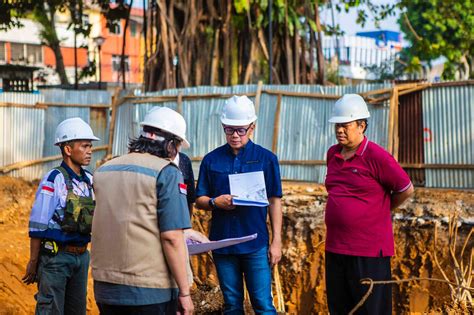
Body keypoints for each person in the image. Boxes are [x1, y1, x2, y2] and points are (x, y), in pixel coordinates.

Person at [91, 107, 194, 315]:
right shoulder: (167, 173)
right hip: (150, 290)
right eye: (178, 146)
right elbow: (172, 237)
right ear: (171, 144)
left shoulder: (104, 170)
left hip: (105, 288)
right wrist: (185, 292)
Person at [324, 94, 414, 314]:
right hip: (336, 248)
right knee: (340, 308)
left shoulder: (377, 156)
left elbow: (406, 189)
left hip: (369, 252)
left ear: (362, 125)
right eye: (337, 125)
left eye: (345, 125)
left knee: (371, 310)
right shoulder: (333, 154)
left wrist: (382, 210)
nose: (339, 130)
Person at [195, 95, 283, 314]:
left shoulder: (266, 159)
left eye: (240, 130)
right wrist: (216, 202)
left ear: (252, 127)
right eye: (229, 129)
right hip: (223, 244)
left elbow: (274, 201)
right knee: (232, 305)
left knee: (263, 305)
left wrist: (277, 242)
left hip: (255, 243)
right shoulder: (211, 160)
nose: (234, 135)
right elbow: (200, 200)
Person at [23, 117, 100, 314]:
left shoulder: (90, 180)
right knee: (51, 309)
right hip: (56, 259)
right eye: (84, 146)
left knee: (77, 310)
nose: (90, 150)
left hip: (81, 257)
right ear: (67, 149)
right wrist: (34, 262)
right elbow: (38, 225)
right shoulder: (53, 179)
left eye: (90, 146)